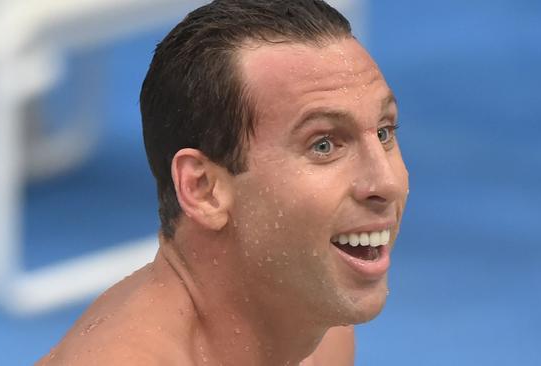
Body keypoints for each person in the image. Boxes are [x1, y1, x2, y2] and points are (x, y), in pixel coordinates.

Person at [38, 0, 408, 364]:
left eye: (384, 132)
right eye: (324, 145)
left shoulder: (314, 319)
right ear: (203, 189)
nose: (386, 182)